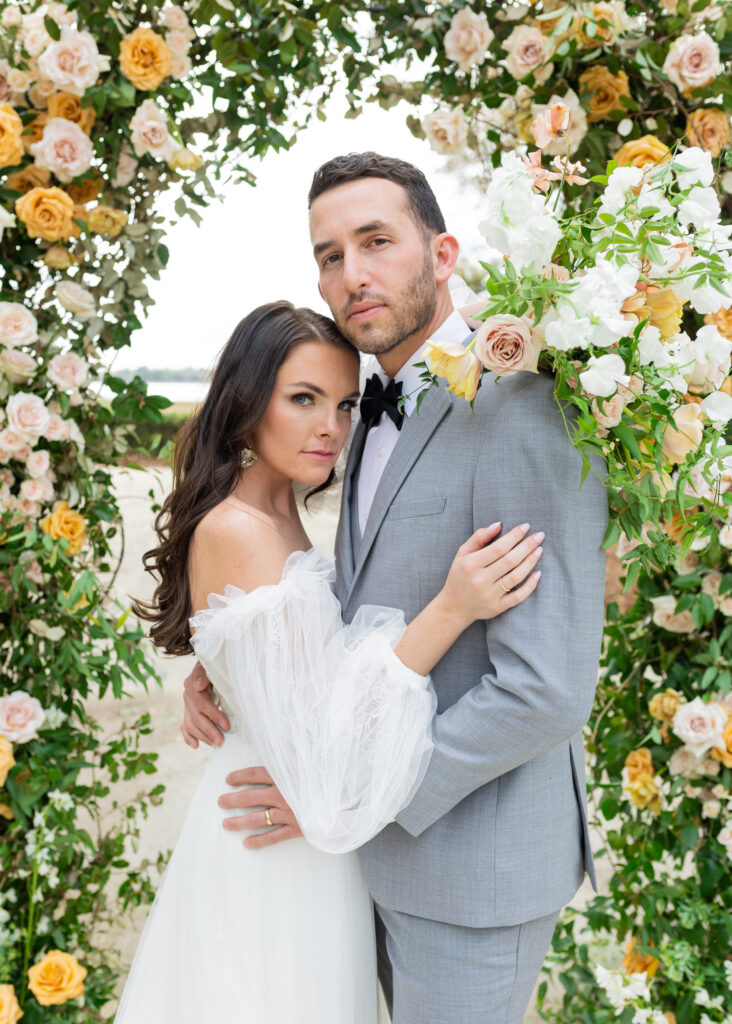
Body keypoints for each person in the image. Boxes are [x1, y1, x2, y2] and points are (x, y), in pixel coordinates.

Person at [184, 153, 608, 1023]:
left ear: (443, 253)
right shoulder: (358, 406)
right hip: (348, 865)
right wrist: (238, 660)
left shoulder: (521, 404)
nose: (353, 274)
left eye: (376, 241)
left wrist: (347, 792)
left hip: (466, 868)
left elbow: (546, 688)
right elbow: (359, 587)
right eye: (330, 255)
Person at [115, 300, 543, 1023]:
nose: (331, 428)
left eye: (345, 404)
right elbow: (325, 739)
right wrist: (450, 609)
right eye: (303, 400)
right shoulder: (238, 527)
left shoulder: (284, 510)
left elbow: (288, 653)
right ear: (247, 401)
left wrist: (224, 671)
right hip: (273, 834)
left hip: (306, 832)